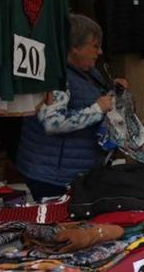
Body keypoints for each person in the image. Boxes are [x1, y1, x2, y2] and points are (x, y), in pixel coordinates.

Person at [15, 14, 128, 201]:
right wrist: (97, 109)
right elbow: (52, 122)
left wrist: (113, 91)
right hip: (53, 177)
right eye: (95, 46)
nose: (99, 52)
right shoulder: (55, 76)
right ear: (74, 48)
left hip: (75, 172)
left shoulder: (86, 71)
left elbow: (84, 97)